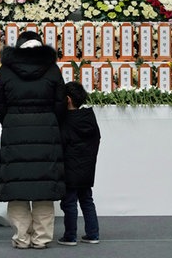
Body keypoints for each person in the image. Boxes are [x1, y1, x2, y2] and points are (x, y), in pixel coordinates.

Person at [0, 31, 66, 249]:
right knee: (44, 187)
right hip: (47, 130)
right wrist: (51, 121)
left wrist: (11, 121)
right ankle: (42, 238)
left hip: (15, 129)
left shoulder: (6, 70)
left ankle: (21, 238)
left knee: (17, 188)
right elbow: (60, 102)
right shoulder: (52, 69)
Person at [57, 81, 101, 246]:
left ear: (67, 99)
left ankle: (70, 236)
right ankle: (93, 233)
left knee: (69, 203)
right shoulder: (89, 117)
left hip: (69, 169)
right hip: (87, 168)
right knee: (87, 200)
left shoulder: (66, 121)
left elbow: (61, 144)